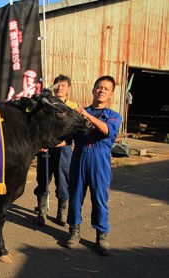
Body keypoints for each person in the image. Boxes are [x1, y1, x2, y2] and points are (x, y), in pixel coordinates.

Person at [65, 75, 122, 256]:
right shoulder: (78, 114)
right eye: (99, 87)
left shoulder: (113, 116)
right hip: (79, 157)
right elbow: (67, 137)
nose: (101, 90)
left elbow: (106, 131)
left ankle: (101, 236)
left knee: (99, 199)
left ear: (111, 94)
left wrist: (86, 115)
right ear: (93, 90)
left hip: (100, 161)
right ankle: (74, 232)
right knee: (75, 197)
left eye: (106, 89)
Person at [34, 75, 77, 227]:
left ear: (68, 89)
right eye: (57, 85)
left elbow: (74, 130)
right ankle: (41, 212)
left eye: (63, 85)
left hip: (63, 149)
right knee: (43, 180)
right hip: (45, 149)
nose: (59, 88)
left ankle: (61, 213)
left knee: (63, 182)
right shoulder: (46, 104)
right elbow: (38, 125)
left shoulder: (72, 106)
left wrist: (61, 143)